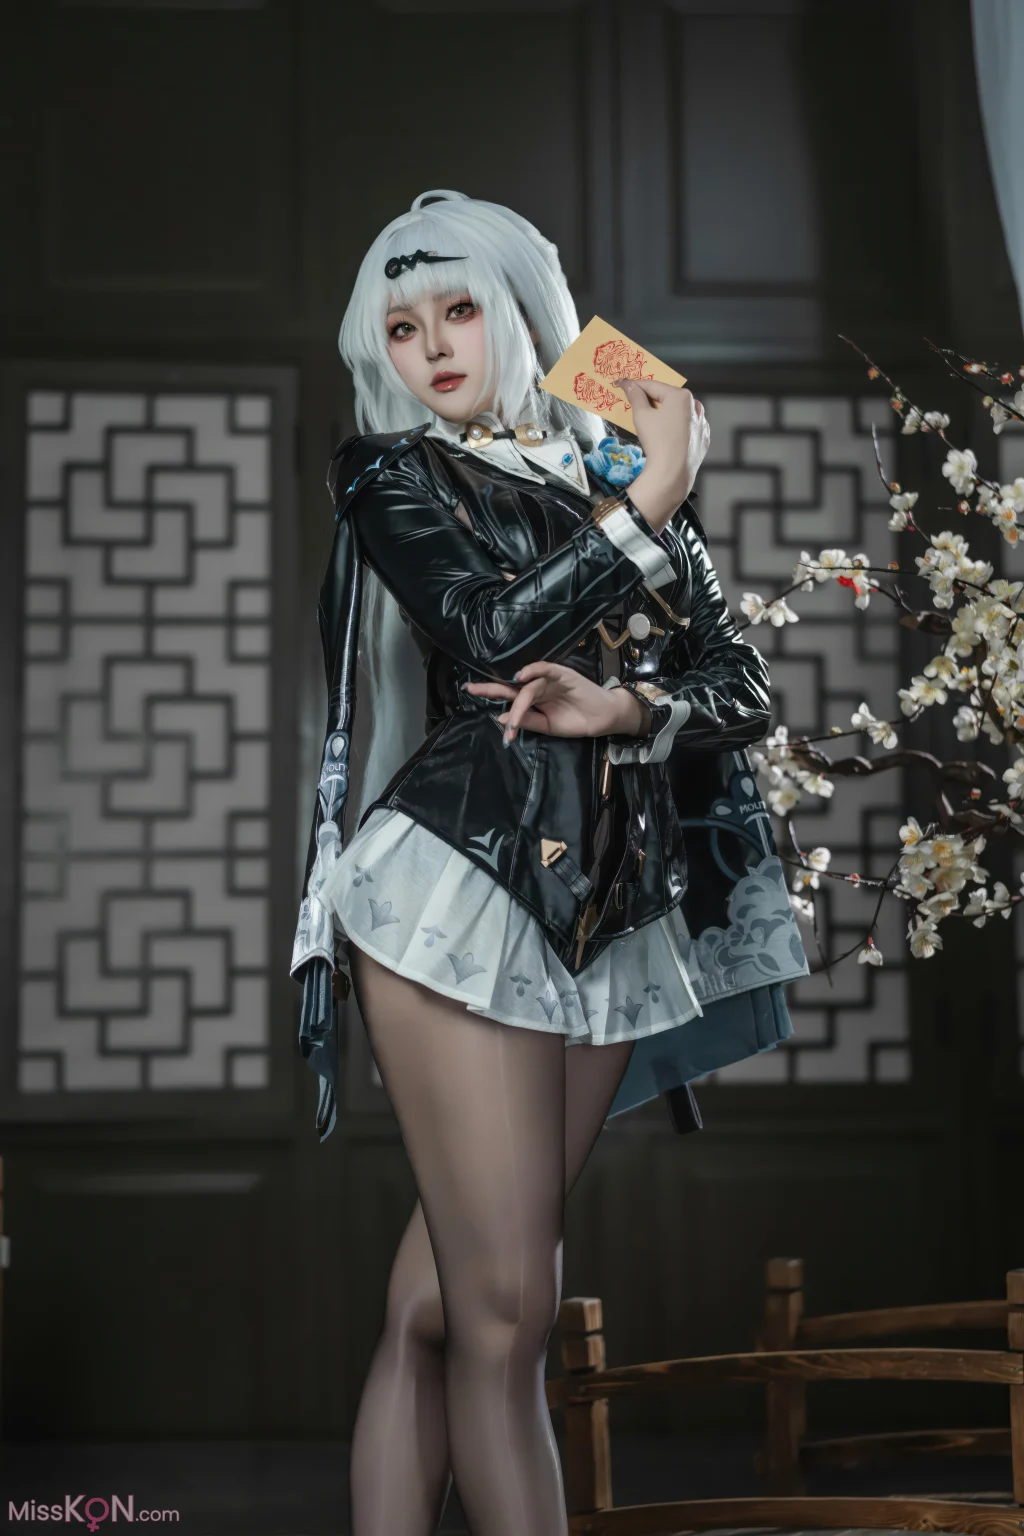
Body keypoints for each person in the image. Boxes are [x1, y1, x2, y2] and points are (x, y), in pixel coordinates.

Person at [290, 189, 808, 1535]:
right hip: (455, 883)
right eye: (402, 328)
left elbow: (744, 689)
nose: (432, 348)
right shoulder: (391, 473)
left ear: (521, 314)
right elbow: (482, 629)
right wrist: (650, 503)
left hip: (610, 910)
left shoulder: (611, 464)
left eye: (461, 311)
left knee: (443, 1302)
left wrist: (625, 707)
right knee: (512, 1307)